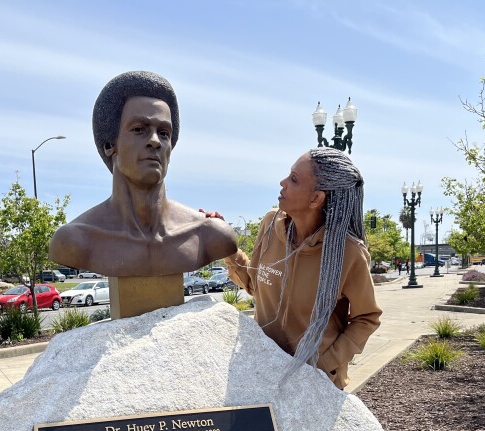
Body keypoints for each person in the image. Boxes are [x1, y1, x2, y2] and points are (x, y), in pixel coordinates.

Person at [49, 71, 237, 277]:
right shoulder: (76, 241)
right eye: (139, 129)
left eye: (164, 133)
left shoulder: (209, 235)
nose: (155, 141)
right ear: (109, 145)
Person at [224, 148, 381, 389]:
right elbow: (254, 285)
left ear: (315, 199)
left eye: (294, 179)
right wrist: (227, 248)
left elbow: (366, 318)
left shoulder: (349, 253)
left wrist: (322, 364)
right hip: (264, 371)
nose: (282, 183)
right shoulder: (269, 226)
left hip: (316, 384)